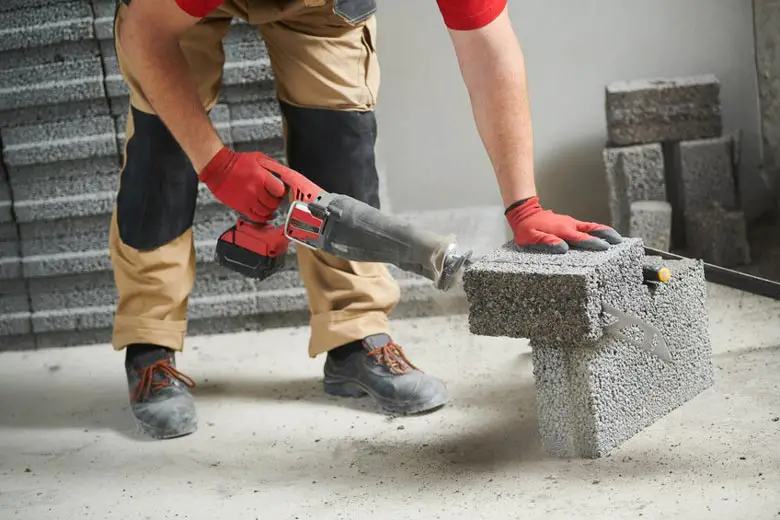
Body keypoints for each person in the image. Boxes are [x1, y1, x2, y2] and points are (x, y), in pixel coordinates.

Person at [111, 0, 622, 439]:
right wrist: (218, 165)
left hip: (322, 9)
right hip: (168, 17)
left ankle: (353, 336)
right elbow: (145, 34)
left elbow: (489, 49)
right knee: (165, 148)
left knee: (340, 143)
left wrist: (524, 207)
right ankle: (149, 342)